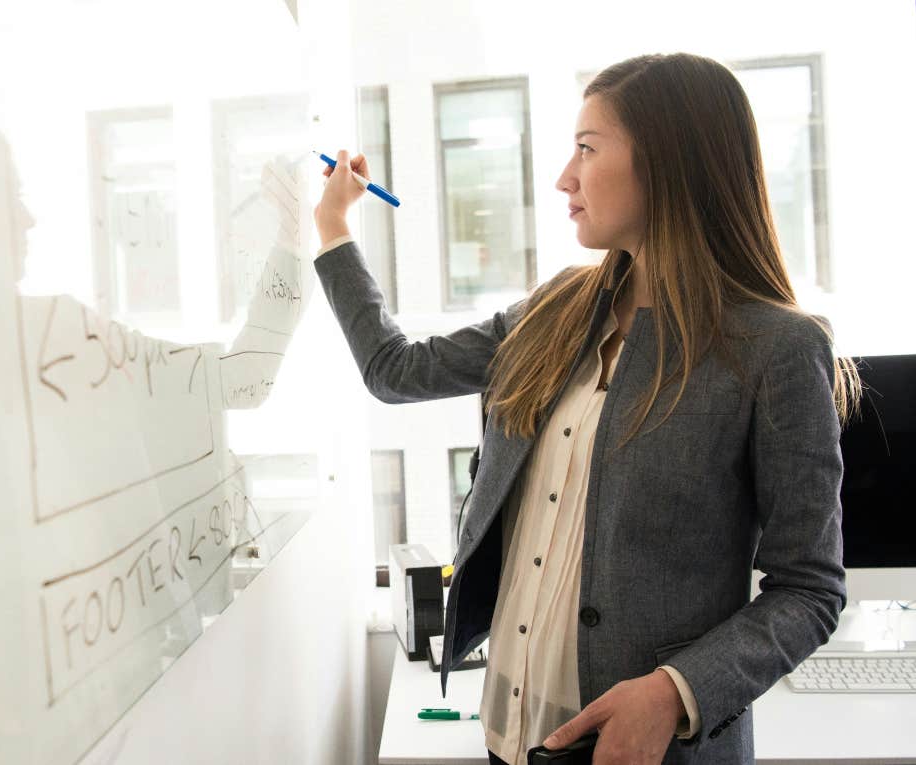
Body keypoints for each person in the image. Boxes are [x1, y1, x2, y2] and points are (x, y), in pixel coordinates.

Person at [312, 53, 859, 765]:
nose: (564, 178)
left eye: (586, 148)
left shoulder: (775, 349)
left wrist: (674, 691)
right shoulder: (555, 310)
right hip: (509, 736)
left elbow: (809, 588)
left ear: (667, 162)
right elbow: (396, 369)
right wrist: (333, 228)